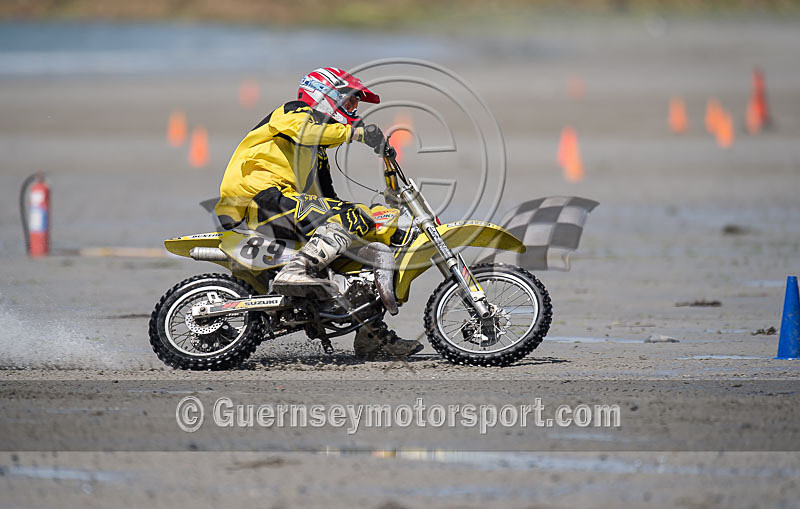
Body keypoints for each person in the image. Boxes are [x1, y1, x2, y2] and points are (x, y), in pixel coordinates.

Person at [215, 67, 422, 359]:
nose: (353, 109)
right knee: (349, 217)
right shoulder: (294, 112)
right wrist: (356, 133)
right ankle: (297, 270)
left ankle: (371, 336)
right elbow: (307, 132)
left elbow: (326, 197)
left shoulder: (318, 149)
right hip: (258, 196)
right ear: (326, 95)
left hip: (284, 202)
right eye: (349, 101)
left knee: (364, 235)